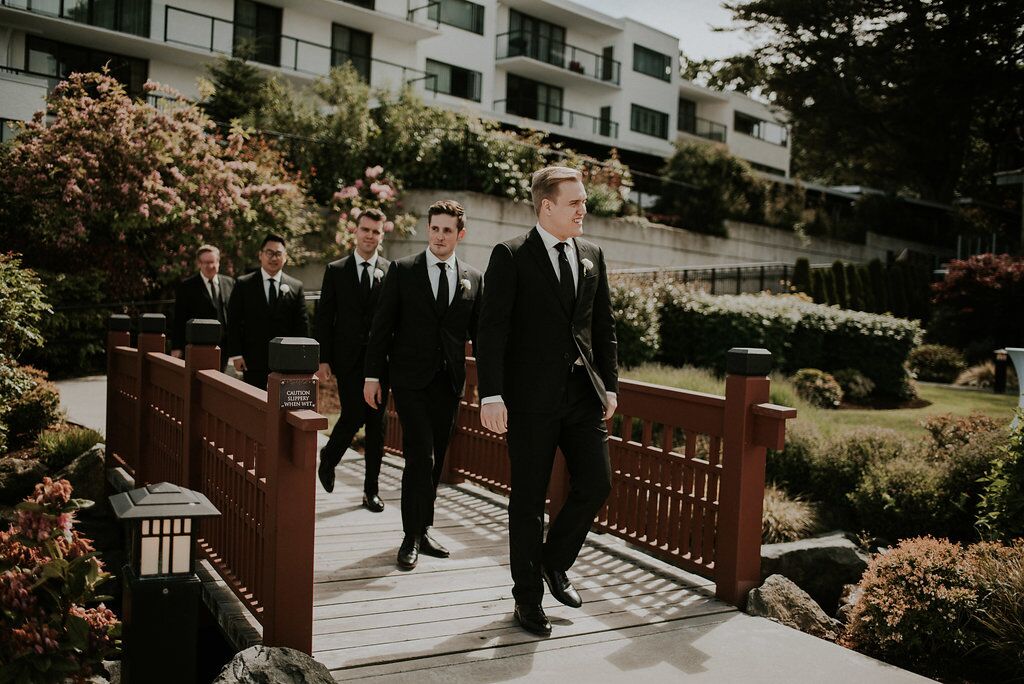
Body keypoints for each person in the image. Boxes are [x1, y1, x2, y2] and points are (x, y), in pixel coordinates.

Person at [476, 166, 618, 637]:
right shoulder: (512, 255)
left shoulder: (593, 254)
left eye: (584, 200)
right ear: (547, 207)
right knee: (528, 501)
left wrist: (610, 385)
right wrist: (492, 394)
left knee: (596, 483)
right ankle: (527, 599)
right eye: (575, 201)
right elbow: (491, 331)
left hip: (581, 397)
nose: (584, 209)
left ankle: (554, 562)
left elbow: (602, 328)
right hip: (530, 402)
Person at [364, 200, 483, 571]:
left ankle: (425, 527)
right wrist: (372, 376)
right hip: (410, 379)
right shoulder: (403, 270)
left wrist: (493, 385)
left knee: (437, 461)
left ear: (460, 234)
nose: (440, 235)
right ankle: (409, 536)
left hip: (448, 383)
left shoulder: (473, 278)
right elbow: (382, 327)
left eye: (448, 230)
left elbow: (480, 336)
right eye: (435, 228)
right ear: (427, 229)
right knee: (420, 456)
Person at [314, 209, 391, 512]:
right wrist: (323, 358)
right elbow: (324, 318)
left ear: (381, 236)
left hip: (380, 362)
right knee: (354, 414)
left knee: (377, 426)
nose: (370, 235)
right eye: (365, 230)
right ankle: (329, 457)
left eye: (376, 231)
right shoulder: (336, 270)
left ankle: (370, 491)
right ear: (356, 232)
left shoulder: (391, 269)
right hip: (347, 360)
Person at [226, 234, 309, 390]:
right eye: (269, 253)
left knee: (283, 407)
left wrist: (301, 357)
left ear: (285, 257)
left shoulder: (295, 286)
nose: (273, 258)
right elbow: (234, 321)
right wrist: (236, 354)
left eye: (278, 254)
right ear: (260, 255)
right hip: (253, 359)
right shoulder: (244, 284)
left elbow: (301, 325)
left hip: (286, 360)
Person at [170, 244, 234, 368]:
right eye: (205, 262)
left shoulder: (230, 283)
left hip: (223, 347)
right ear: (199, 264)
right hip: (198, 346)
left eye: (212, 262)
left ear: (218, 262)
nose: (209, 266)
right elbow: (179, 318)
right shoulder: (186, 287)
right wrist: (176, 347)